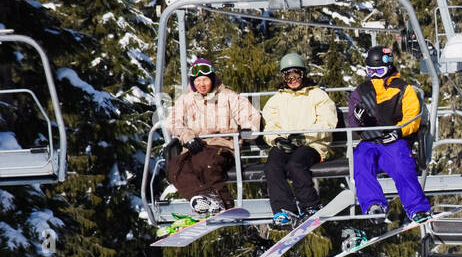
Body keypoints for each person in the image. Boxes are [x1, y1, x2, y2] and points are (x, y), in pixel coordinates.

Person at [165, 56, 261, 215]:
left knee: (206, 163)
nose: (201, 84)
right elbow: (172, 122)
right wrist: (187, 136)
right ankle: (201, 198)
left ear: (212, 79)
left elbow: (250, 114)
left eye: (205, 80)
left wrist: (247, 128)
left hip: (222, 145)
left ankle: (224, 203)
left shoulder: (227, 96)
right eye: (197, 81)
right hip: (195, 145)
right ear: (192, 82)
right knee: (175, 167)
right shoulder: (187, 99)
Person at [345, 46, 430, 224]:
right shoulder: (361, 91)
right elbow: (352, 122)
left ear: (389, 67)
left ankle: (417, 208)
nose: (375, 75)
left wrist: (398, 131)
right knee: (361, 161)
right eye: (371, 71)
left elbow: (412, 116)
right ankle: (373, 204)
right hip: (369, 140)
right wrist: (358, 120)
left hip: (394, 140)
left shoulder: (403, 89)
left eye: (379, 71)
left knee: (402, 165)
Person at [260, 52, 336, 225]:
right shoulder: (277, 99)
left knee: (295, 164)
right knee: (272, 165)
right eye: (288, 75)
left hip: (313, 144)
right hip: (287, 144)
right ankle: (284, 209)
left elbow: (327, 122)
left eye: (296, 74)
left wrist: (305, 137)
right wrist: (276, 140)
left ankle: (310, 206)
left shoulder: (317, 95)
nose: (292, 79)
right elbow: (270, 125)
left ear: (303, 74)